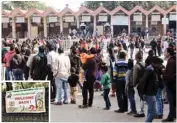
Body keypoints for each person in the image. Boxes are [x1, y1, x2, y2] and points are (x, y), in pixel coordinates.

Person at [138, 56, 163, 122]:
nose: (160, 66)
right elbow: (143, 82)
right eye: (160, 64)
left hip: (151, 93)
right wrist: (142, 93)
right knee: (153, 112)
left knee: (150, 111)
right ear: (155, 63)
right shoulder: (150, 70)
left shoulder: (153, 69)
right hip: (149, 93)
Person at [162, 48, 176, 122]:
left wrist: (163, 74)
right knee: (174, 101)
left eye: (165, 52)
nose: (165, 53)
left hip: (170, 84)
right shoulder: (174, 59)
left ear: (169, 53)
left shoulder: (170, 61)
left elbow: (169, 75)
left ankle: (171, 116)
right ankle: (174, 114)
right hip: (174, 83)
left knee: (171, 101)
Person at [133, 51, 145, 117]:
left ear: (136, 58)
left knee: (137, 97)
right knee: (142, 97)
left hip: (138, 84)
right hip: (143, 83)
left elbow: (135, 76)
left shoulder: (136, 66)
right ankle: (142, 110)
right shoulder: (144, 64)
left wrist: (134, 84)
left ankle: (139, 111)